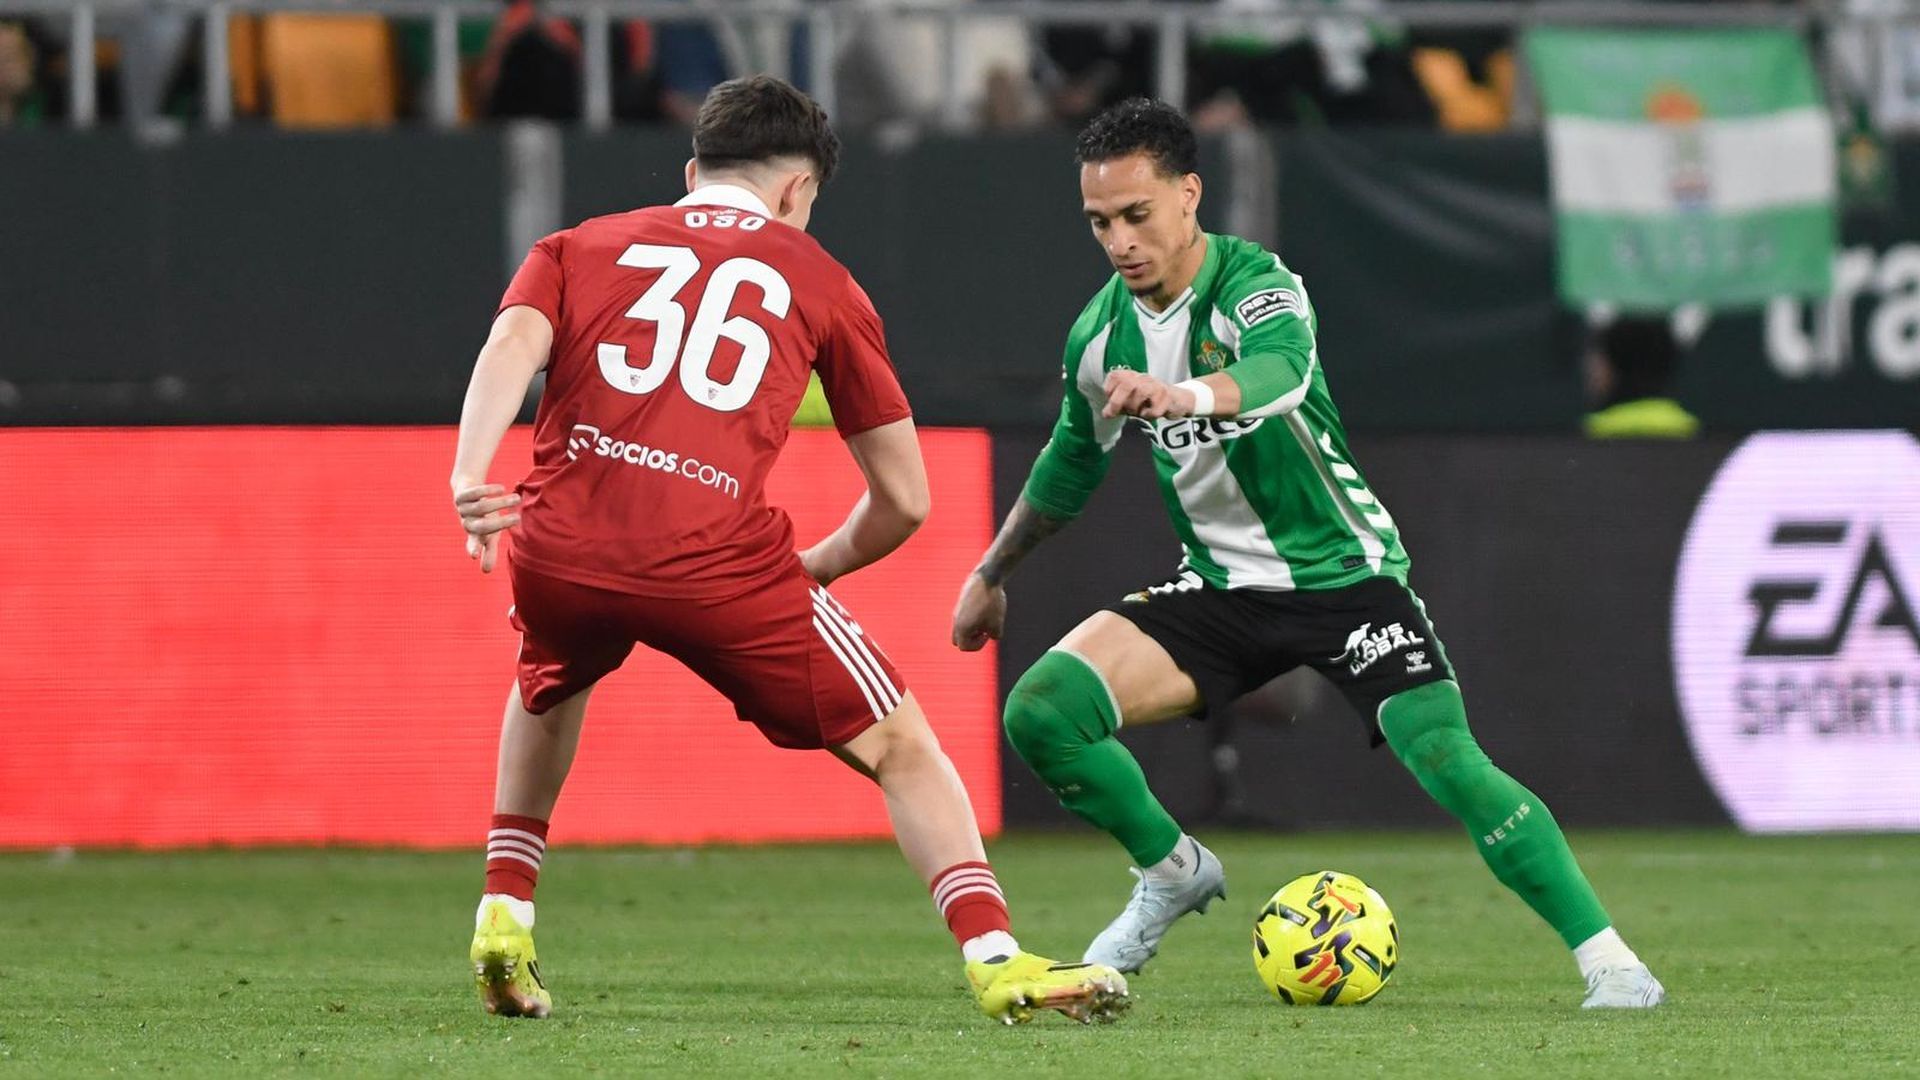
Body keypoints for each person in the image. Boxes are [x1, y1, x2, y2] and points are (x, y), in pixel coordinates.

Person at [950, 97, 1665, 1009]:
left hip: (1345, 577)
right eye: (1100, 223)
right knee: (1043, 712)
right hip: (1216, 588)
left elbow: (1281, 374)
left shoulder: (1259, 284)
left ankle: (1611, 962)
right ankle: (1171, 871)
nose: (1121, 240)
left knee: (1446, 756)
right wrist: (990, 572)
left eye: (1137, 214)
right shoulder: (1098, 337)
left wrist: (1185, 396)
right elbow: (1070, 461)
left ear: (1189, 196)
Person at [450, 75, 1126, 1026]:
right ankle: (998, 958)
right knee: (903, 747)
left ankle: (504, 916)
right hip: (715, 563)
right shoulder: (822, 280)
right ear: (800, 193)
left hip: (559, 546)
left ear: (694, 172)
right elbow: (904, 500)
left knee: (547, 681)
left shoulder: (576, 244)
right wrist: (816, 568)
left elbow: (509, 344)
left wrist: (469, 474)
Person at [1582, 316, 1700, 439]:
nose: (1589, 370)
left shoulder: (1585, 437)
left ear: (1611, 366)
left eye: (1598, 358)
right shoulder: (1697, 433)